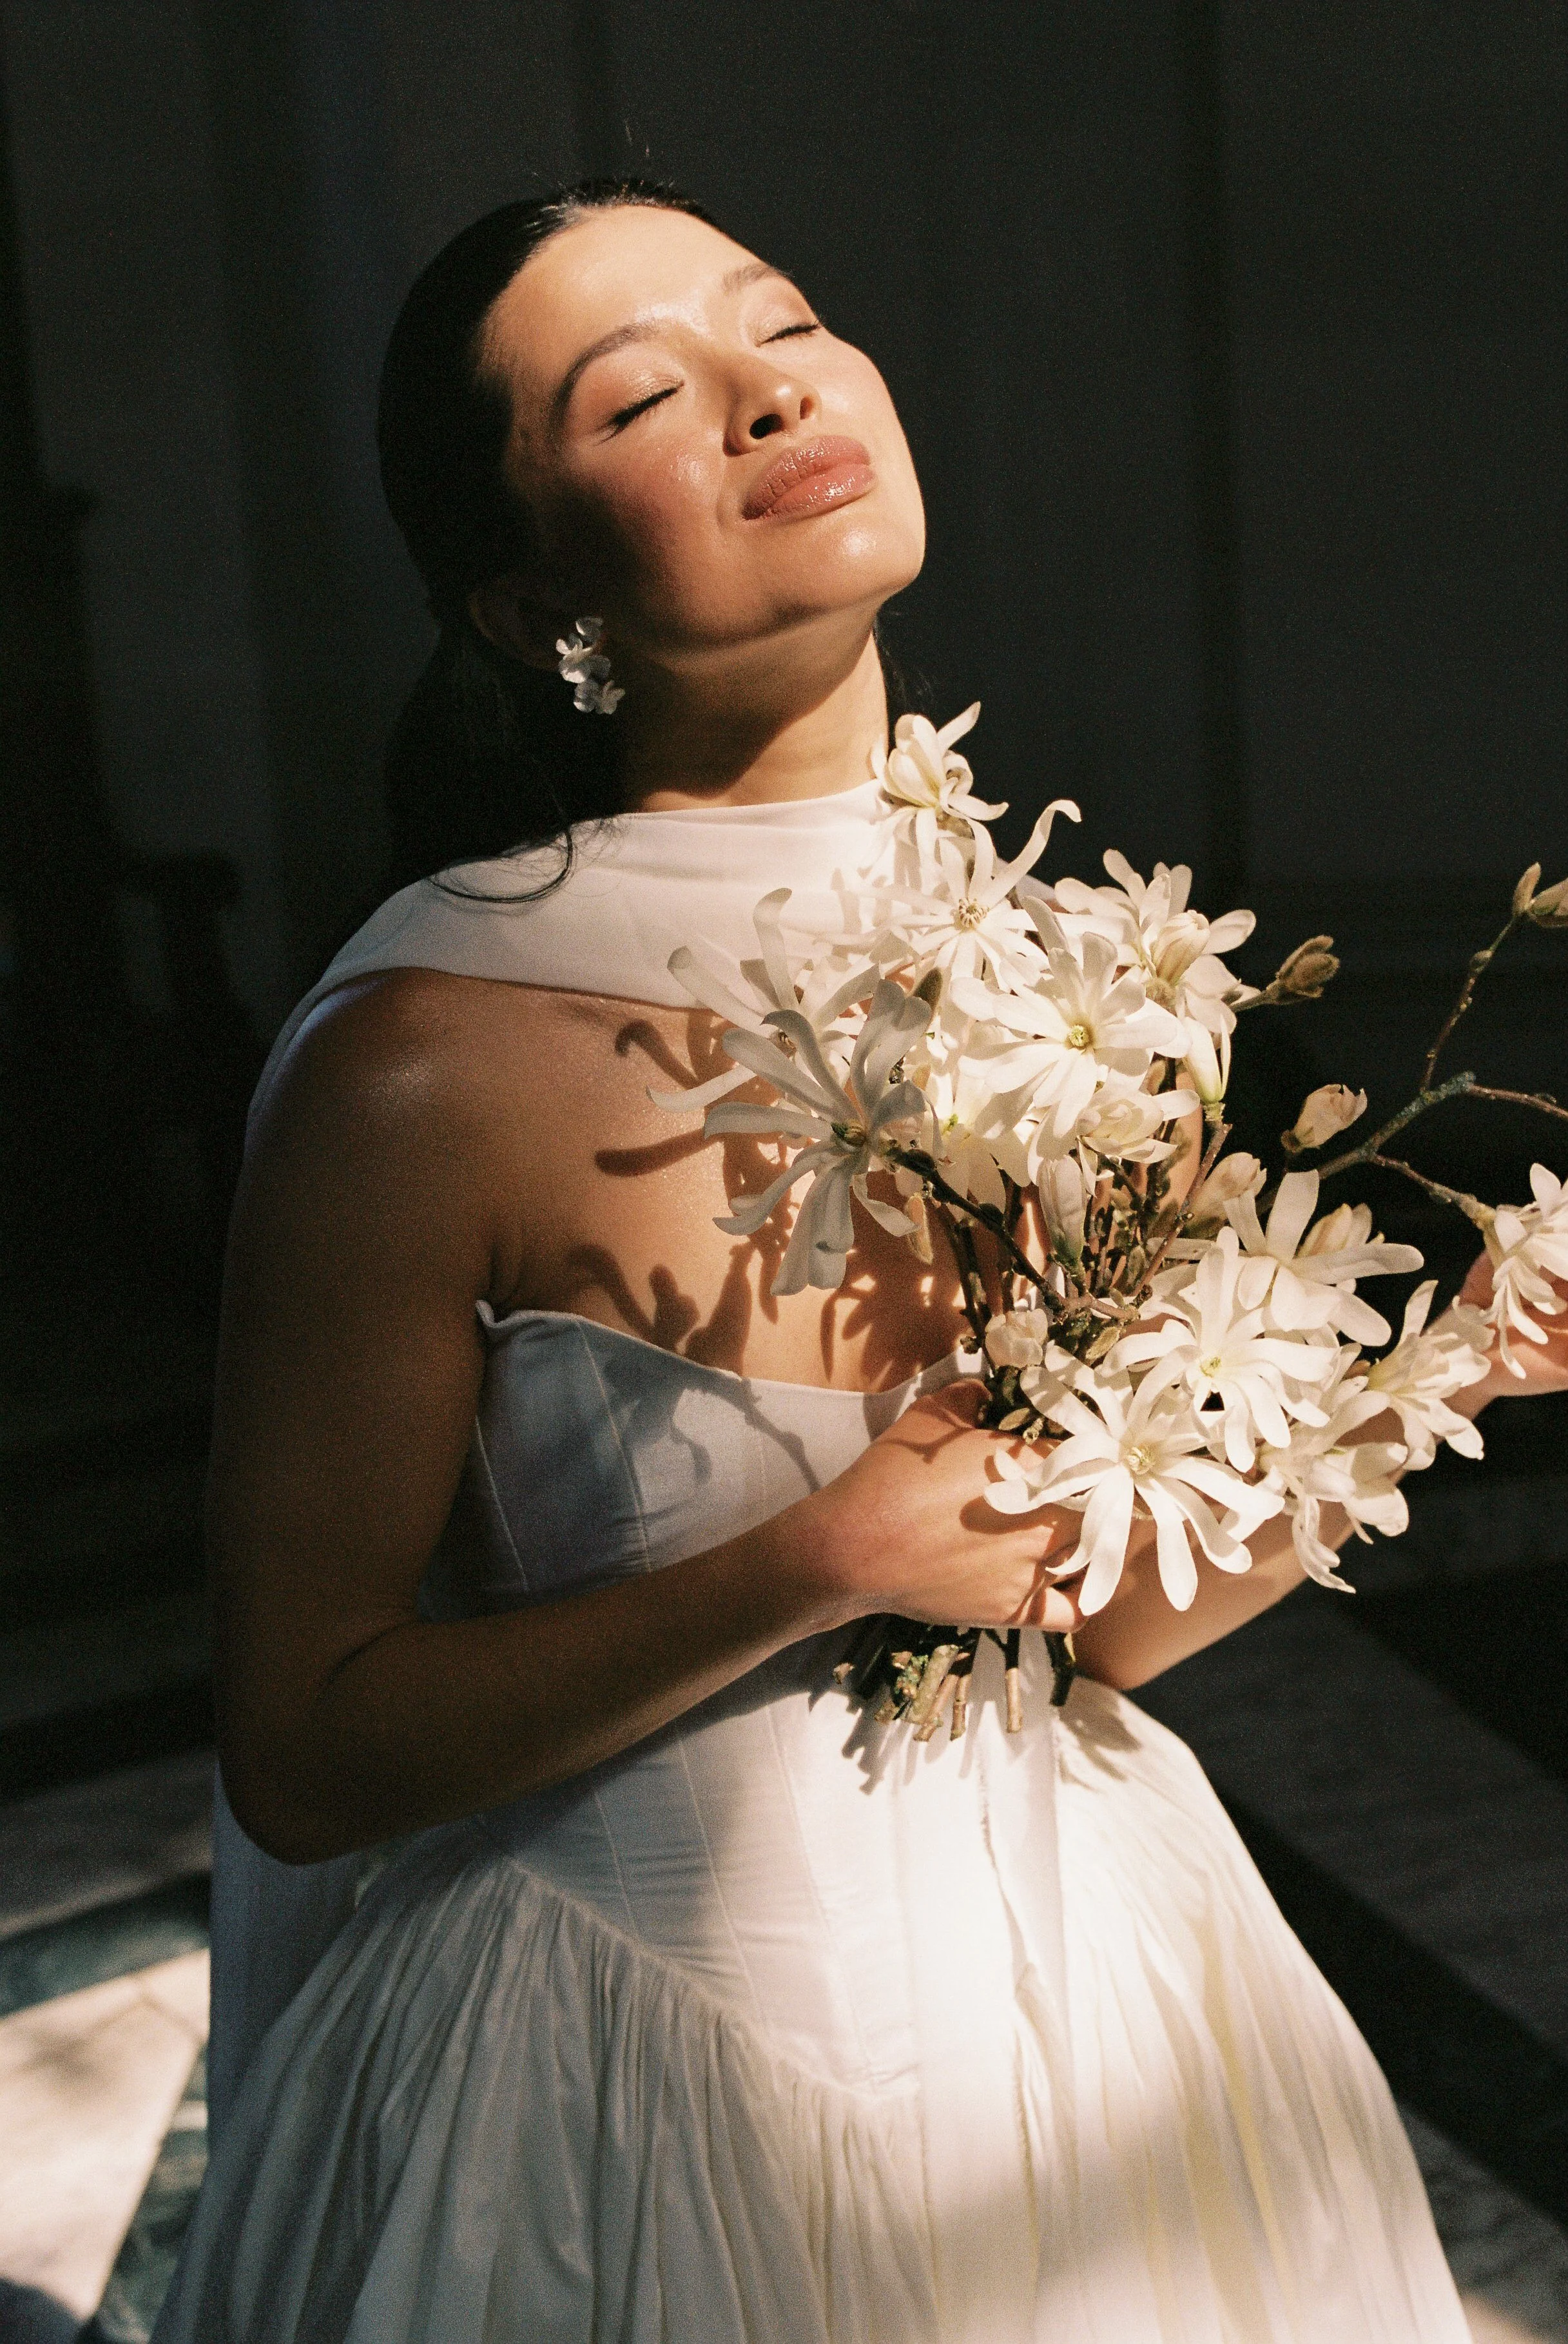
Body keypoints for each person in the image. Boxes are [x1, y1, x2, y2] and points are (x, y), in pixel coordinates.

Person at [152, 180, 1563, 2342]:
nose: (764, 387)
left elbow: (1094, 1618)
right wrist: (817, 1558)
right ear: (536, 603)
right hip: (619, 2075)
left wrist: (1458, 1360)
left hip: (1091, 2003)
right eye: (639, 395)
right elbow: (306, 1742)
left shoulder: (1094, 969)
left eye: (781, 317)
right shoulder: (429, 1055)